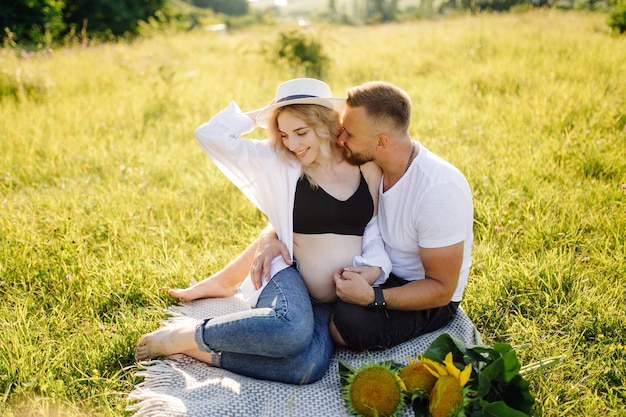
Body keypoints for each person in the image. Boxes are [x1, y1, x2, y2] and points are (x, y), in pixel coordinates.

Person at [135, 78, 391, 384]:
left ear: (325, 123)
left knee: (307, 368)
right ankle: (185, 335)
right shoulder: (281, 160)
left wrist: (374, 269)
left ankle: (202, 351)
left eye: (301, 132)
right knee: (292, 329)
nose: (293, 144)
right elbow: (209, 134)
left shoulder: (366, 167)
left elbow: (375, 228)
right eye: (284, 134)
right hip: (287, 273)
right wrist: (265, 113)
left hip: (333, 300)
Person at [252, 81, 474, 352]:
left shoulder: (438, 190)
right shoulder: (373, 167)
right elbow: (320, 211)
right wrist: (270, 235)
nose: (340, 139)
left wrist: (373, 297)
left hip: (426, 294)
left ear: (381, 141)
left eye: (349, 134)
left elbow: (442, 289)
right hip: (379, 273)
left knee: (346, 326)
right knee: (335, 312)